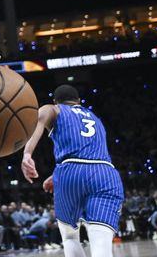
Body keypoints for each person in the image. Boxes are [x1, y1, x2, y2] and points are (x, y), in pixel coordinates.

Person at [22, 84, 125, 257]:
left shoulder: (53, 109)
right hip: (105, 173)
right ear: (78, 101)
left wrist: (27, 154)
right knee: (100, 242)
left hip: (70, 173)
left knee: (70, 236)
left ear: (55, 101)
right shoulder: (96, 119)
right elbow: (88, 154)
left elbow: (39, 119)